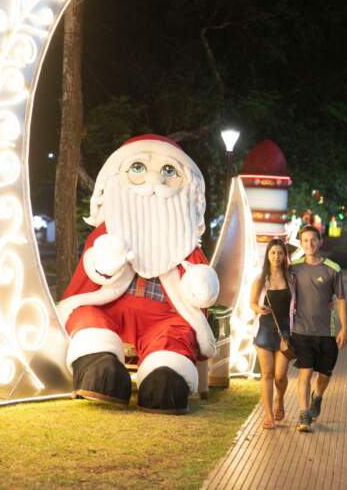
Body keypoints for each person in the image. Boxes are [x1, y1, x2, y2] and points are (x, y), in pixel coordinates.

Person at [57, 134, 219, 414]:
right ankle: (100, 367)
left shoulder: (184, 241)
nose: (154, 183)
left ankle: (164, 378)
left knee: (174, 336)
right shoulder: (108, 232)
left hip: (163, 316)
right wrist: (107, 260)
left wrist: (201, 282)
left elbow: (199, 285)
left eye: (169, 171)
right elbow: (93, 269)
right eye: (138, 168)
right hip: (109, 308)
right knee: (89, 319)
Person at [290, 224, 347, 432]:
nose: (309, 244)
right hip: (301, 330)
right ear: (300, 243)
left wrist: (344, 328)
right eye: (305, 240)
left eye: (313, 240)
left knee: (324, 374)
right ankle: (304, 415)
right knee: (305, 372)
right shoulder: (293, 268)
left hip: (327, 331)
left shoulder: (333, 268)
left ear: (320, 242)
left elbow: (341, 299)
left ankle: (318, 396)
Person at [250, 238, 295, 430]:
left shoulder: (291, 278)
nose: (276, 256)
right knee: (267, 374)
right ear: (267, 255)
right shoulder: (261, 279)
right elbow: (251, 302)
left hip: (285, 331)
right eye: (273, 253)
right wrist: (259, 309)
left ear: (285, 256)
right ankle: (269, 415)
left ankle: (280, 399)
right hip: (265, 330)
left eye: (280, 253)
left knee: (280, 376)